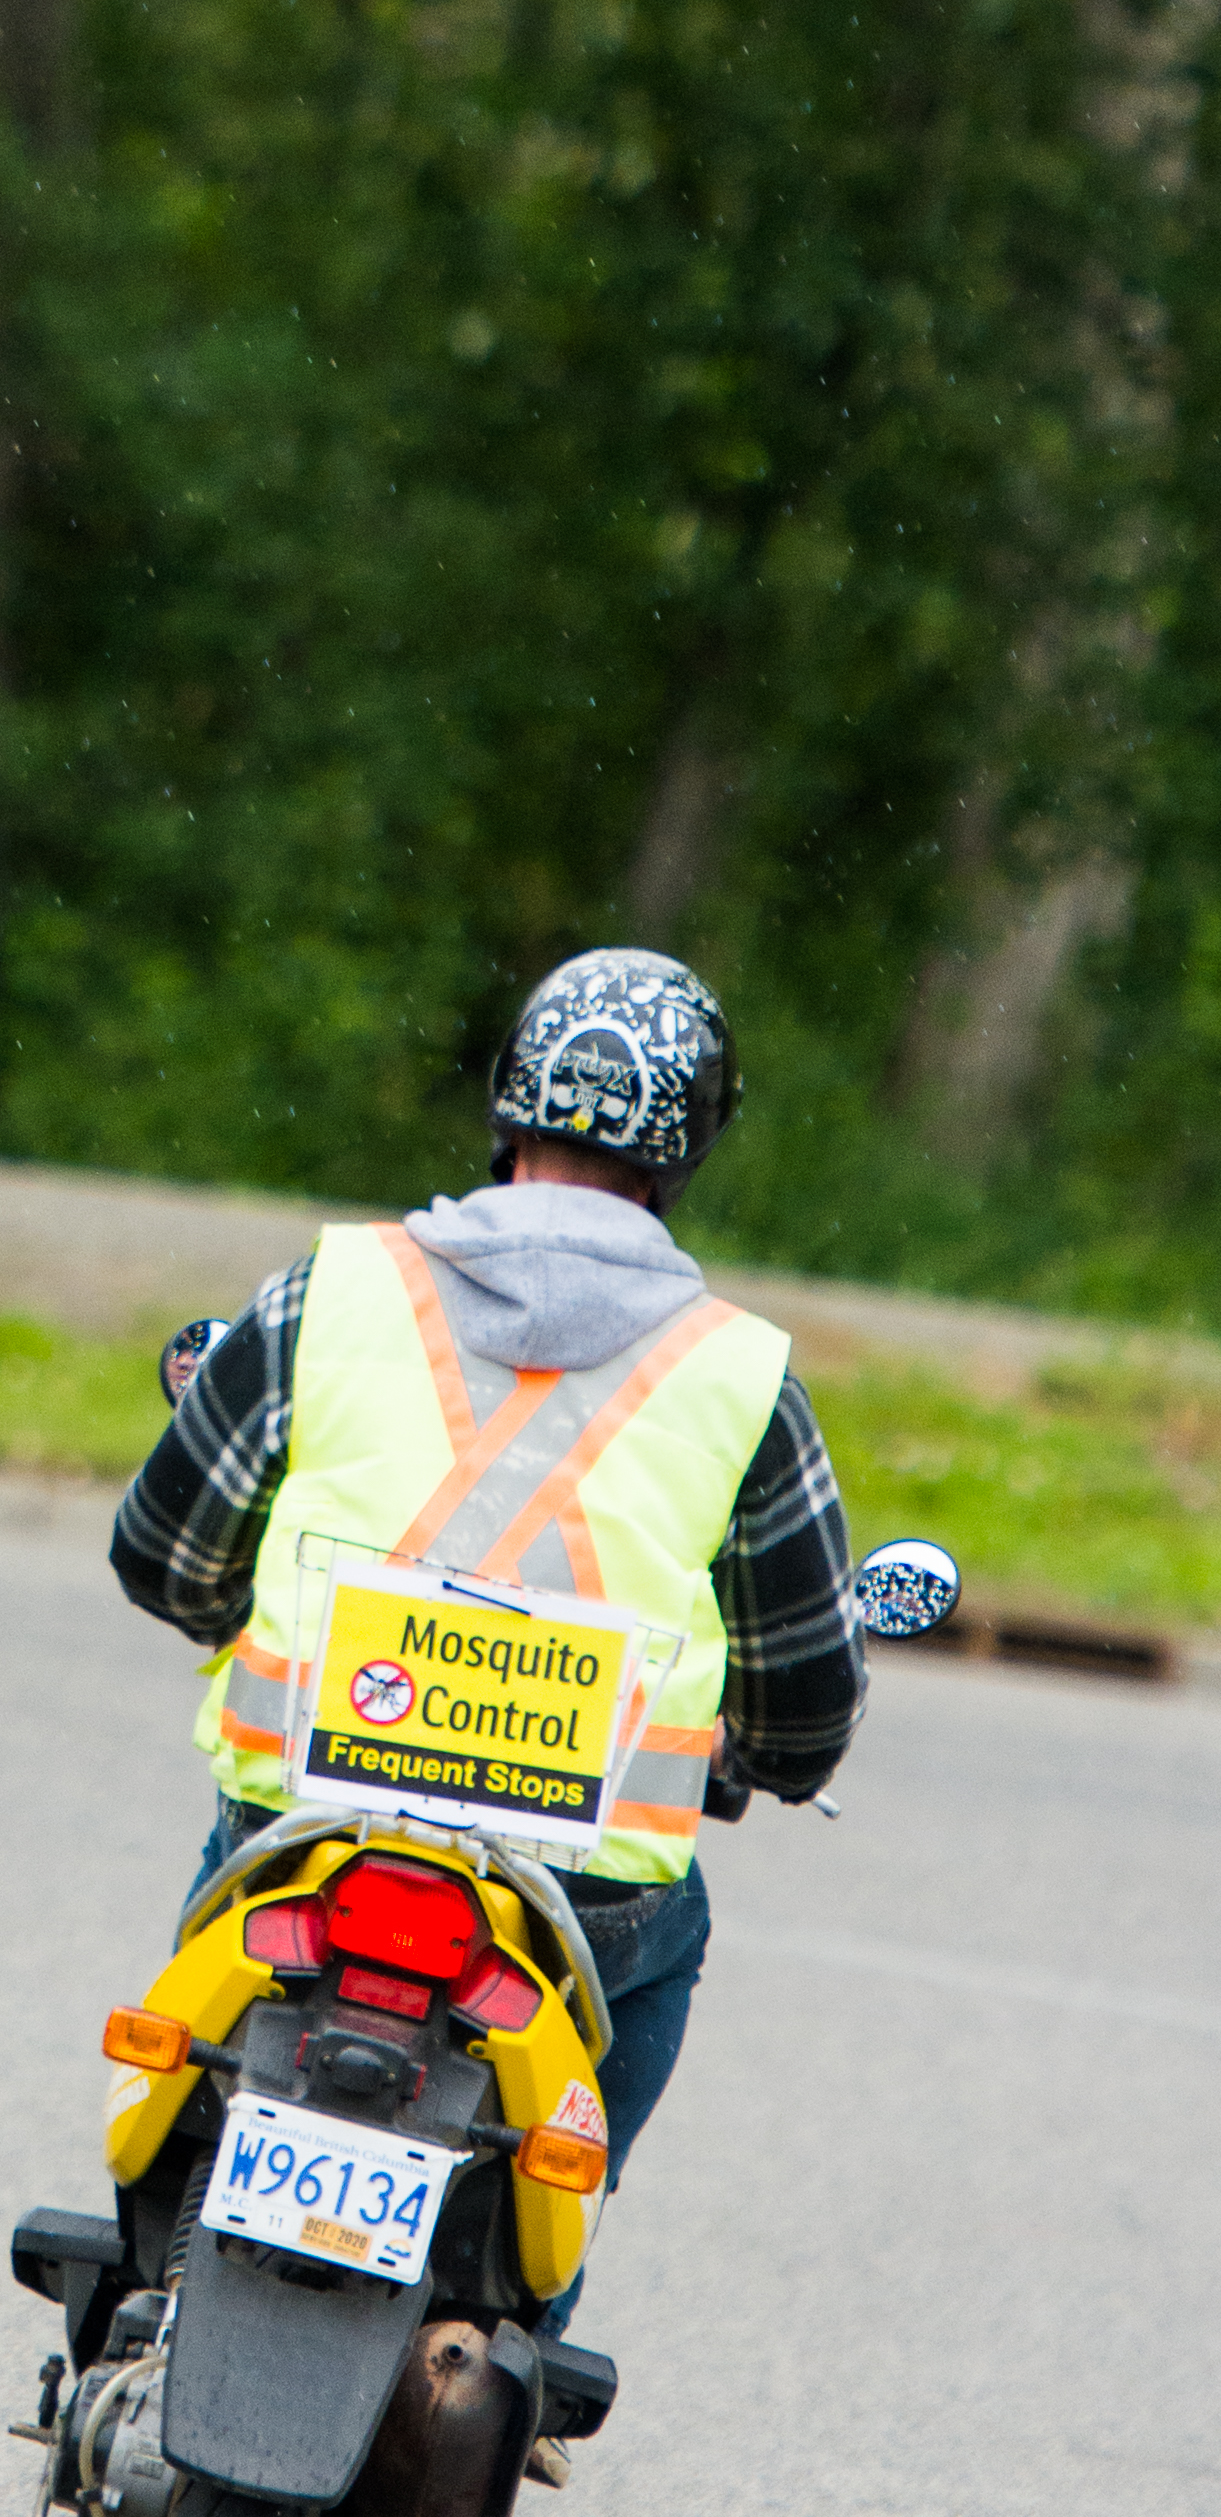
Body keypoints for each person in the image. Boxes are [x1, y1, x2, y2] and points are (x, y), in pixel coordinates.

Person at [105, 947, 862, 2348]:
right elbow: (807, 1694)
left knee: (223, 1927)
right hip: (577, 1886)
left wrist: (239, 1622)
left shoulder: (327, 1292)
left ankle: (150, 2241)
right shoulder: (742, 1382)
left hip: (307, 1812)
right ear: (688, 1144)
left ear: (507, 1097)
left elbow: (162, 1552)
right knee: (664, 1944)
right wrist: (760, 1754)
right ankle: (523, 2316)